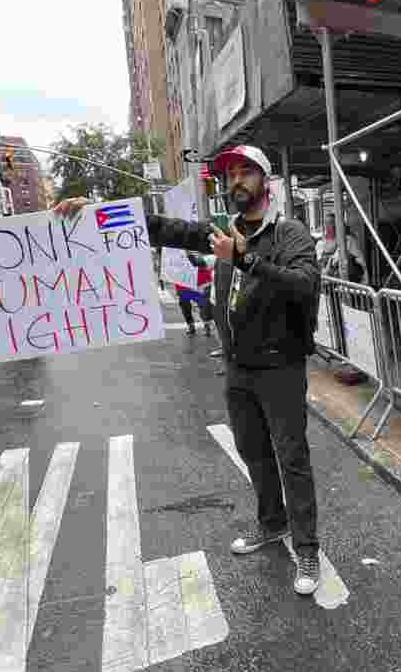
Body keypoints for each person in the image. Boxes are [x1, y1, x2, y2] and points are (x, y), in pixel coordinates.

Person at [54, 145, 324, 596]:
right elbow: (167, 229)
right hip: (238, 369)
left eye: (245, 173)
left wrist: (245, 257)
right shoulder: (222, 230)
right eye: (229, 175)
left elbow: (306, 285)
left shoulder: (289, 233)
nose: (236, 181)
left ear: (266, 180)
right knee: (253, 453)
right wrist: (100, 212)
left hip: (281, 367)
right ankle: (272, 524)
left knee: (291, 458)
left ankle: (308, 546)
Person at [175, 251, 214, 337]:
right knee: (185, 306)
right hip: (183, 285)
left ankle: (207, 325)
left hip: (199, 284)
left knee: (203, 305)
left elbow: (205, 266)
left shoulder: (200, 264)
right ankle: (191, 325)